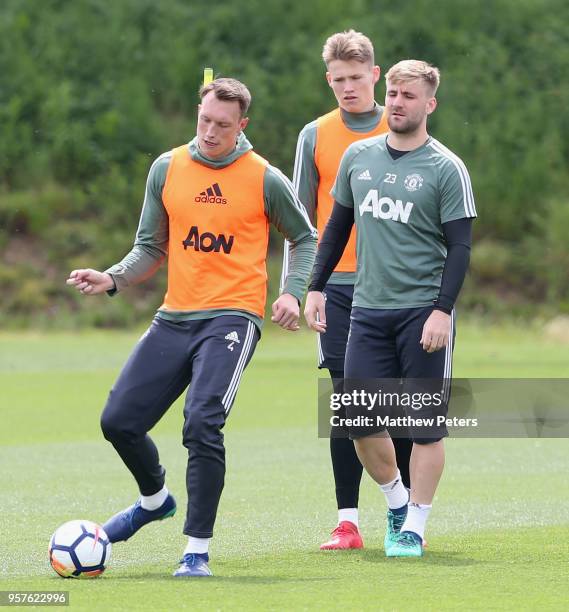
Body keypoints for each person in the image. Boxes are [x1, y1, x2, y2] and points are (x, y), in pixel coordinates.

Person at [67, 77, 317, 577]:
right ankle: (155, 499)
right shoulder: (167, 167)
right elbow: (151, 247)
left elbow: (305, 238)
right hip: (175, 316)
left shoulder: (264, 178)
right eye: (204, 120)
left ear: (242, 125)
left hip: (233, 317)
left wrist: (292, 291)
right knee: (118, 421)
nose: (210, 132)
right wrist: (111, 278)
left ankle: (196, 551)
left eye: (222, 125)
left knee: (202, 421)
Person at [304, 60, 476, 557]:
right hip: (366, 311)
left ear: (429, 104)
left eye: (408, 95)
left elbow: (460, 248)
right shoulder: (359, 157)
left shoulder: (446, 167)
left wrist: (443, 310)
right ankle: (397, 501)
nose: (397, 102)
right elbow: (337, 229)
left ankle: (415, 526)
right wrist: (315, 287)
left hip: (422, 312)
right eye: (394, 93)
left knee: (424, 425)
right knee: (358, 419)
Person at [280, 30, 412, 550]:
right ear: (328, 80)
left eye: (357, 78)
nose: (348, 88)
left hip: (396, 288)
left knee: (399, 401)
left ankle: (400, 514)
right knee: (348, 401)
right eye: (338, 80)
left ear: (376, 76)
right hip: (335, 286)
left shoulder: (401, 123)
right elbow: (299, 221)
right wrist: (295, 288)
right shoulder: (314, 134)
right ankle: (347, 521)